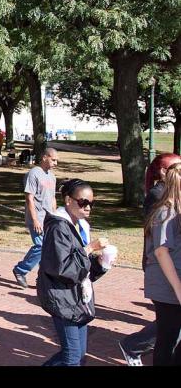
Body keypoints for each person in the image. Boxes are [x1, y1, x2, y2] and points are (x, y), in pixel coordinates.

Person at [37, 179, 111, 366]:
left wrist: (101, 263)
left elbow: (82, 269)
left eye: (91, 203)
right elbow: (62, 268)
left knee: (78, 354)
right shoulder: (58, 227)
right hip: (62, 297)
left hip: (77, 297)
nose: (88, 207)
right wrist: (90, 248)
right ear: (68, 200)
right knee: (72, 356)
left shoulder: (81, 225)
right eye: (83, 202)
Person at [119, 152, 181, 366]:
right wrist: (178, 288)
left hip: (172, 277)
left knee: (173, 336)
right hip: (166, 280)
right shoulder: (163, 205)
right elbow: (161, 251)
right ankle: (132, 346)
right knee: (168, 336)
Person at [143, 162, 181, 365]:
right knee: (167, 340)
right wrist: (178, 289)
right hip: (167, 286)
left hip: (174, 283)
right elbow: (161, 252)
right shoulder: (165, 212)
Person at [12, 148, 58, 288]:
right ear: (44, 157)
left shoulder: (52, 176)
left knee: (48, 249)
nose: (56, 163)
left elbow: (53, 198)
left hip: (49, 219)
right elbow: (29, 199)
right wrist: (35, 220)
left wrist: (55, 217)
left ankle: (43, 278)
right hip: (37, 218)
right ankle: (20, 270)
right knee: (41, 246)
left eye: (56, 160)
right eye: (53, 160)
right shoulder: (33, 174)